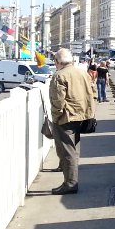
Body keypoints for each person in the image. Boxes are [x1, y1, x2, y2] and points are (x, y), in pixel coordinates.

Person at [47, 48, 95, 195]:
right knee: (74, 149)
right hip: (82, 116)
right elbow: (93, 93)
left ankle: (70, 183)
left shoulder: (59, 75)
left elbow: (58, 101)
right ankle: (71, 179)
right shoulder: (82, 72)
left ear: (57, 62)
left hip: (66, 118)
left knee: (67, 151)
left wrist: (55, 117)